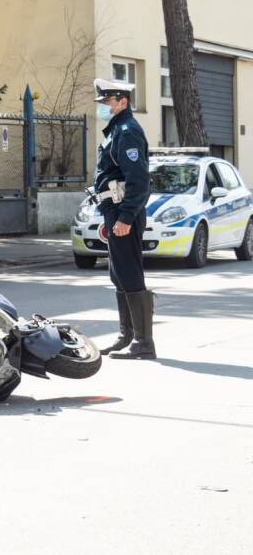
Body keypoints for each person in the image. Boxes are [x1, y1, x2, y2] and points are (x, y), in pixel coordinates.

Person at [91, 78, 156, 360]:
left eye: (107, 102)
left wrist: (126, 216)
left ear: (122, 102)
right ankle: (126, 335)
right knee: (118, 273)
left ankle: (143, 342)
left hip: (122, 210)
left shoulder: (127, 132)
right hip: (113, 209)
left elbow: (139, 181)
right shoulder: (116, 130)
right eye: (103, 102)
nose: (103, 107)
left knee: (129, 272)